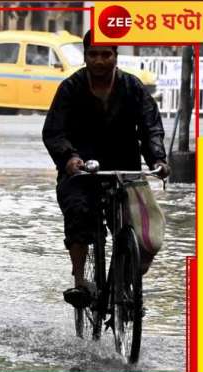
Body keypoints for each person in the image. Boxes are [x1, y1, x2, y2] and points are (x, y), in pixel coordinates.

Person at [42, 30, 170, 308]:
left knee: (144, 232)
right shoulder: (70, 87)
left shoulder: (132, 87)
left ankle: (124, 285)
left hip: (125, 170)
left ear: (115, 56)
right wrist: (69, 158)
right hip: (81, 171)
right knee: (78, 213)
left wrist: (158, 160)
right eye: (93, 54)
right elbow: (54, 131)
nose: (99, 61)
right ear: (85, 56)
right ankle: (79, 282)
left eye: (106, 54)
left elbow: (151, 128)